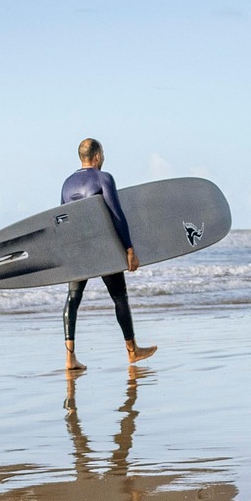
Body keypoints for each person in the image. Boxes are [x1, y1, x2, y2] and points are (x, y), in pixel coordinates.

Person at [61, 138, 157, 372]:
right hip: (101, 248)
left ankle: (69, 359)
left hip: (77, 249)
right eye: (102, 153)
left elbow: (62, 221)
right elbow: (116, 214)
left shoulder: (66, 184)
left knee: (73, 300)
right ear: (96, 156)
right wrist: (130, 249)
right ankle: (132, 350)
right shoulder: (104, 178)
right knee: (119, 297)